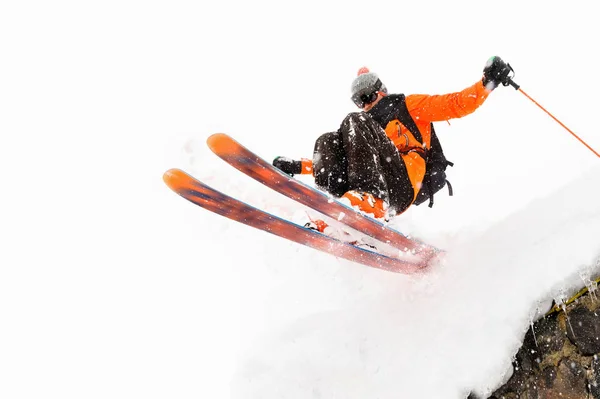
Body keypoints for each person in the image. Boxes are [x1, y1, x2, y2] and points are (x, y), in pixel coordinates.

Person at [273, 56, 513, 228]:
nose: (364, 104)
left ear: (381, 91)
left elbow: (457, 103)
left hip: (400, 185)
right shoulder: (361, 124)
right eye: (359, 100)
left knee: (354, 123)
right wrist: (298, 167)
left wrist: (487, 82)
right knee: (328, 139)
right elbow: (340, 158)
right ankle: (331, 208)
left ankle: (372, 201)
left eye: (367, 96)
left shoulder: (408, 105)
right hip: (369, 180)